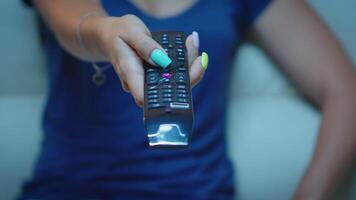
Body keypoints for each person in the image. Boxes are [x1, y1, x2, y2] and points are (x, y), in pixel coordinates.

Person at [21, 0, 356, 199]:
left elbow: (345, 90)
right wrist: (106, 34)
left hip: (195, 192)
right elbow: (79, 24)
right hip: (67, 190)